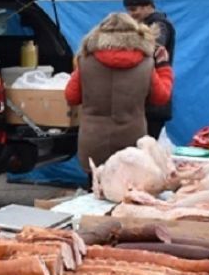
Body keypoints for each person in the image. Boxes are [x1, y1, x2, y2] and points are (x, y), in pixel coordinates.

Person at [65, 12, 174, 171]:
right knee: (128, 192)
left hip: (93, 141)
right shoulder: (146, 63)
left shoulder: (85, 62)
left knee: (94, 192)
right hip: (132, 143)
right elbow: (161, 97)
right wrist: (164, 67)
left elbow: (71, 97)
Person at [123, 0, 176, 139]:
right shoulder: (143, 25)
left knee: (143, 149)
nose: (130, 14)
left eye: (134, 9)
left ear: (148, 5)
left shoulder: (159, 26)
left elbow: (152, 49)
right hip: (144, 100)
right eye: (128, 10)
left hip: (153, 102)